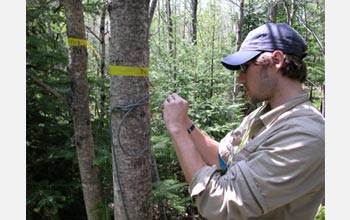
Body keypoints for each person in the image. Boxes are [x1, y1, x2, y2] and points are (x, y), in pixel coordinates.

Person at [162, 23, 325, 220]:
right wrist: (186, 122)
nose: (240, 79)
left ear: (277, 60)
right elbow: (221, 159)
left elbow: (218, 202)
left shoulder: (305, 136)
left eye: (245, 67)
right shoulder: (264, 114)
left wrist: (177, 129)